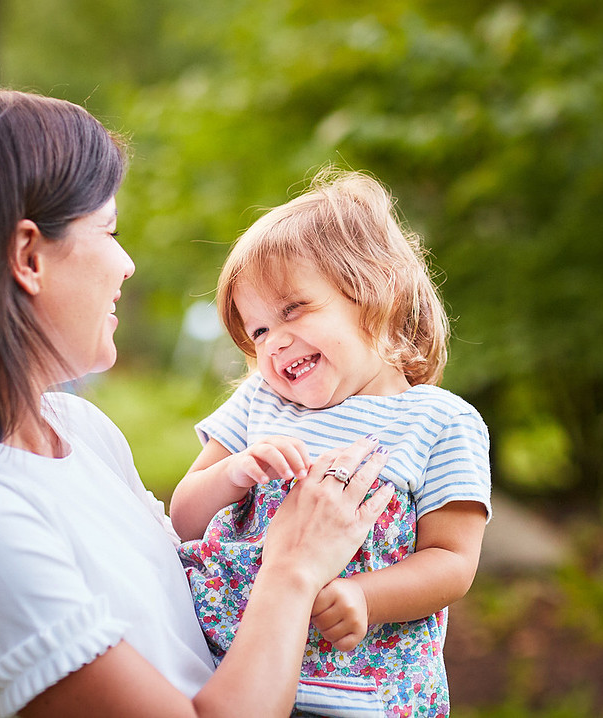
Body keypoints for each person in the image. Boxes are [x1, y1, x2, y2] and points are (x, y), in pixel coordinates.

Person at [0, 83, 394, 718]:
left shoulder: (76, 427)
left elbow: (178, 585)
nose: (126, 264)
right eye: (109, 230)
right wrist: (293, 568)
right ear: (28, 257)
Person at [170, 170, 492, 717]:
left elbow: (452, 561)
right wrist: (234, 474)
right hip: (231, 667)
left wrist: (368, 595)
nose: (274, 343)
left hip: (362, 694)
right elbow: (182, 517)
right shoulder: (259, 405)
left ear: (373, 291)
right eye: (258, 331)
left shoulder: (438, 420)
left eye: (292, 310)